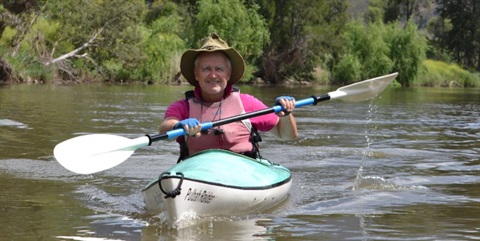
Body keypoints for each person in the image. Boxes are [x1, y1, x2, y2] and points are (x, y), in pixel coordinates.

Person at [159, 33, 298, 161]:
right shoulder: (182, 107)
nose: (213, 75)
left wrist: (286, 114)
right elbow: (165, 127)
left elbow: (286, 135)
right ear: (196, 74)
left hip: (242, 170)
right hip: (198, 171)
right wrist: (178, 125)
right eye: (206, 69)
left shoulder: (247, 103)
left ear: (228, 74)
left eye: (219, 69)